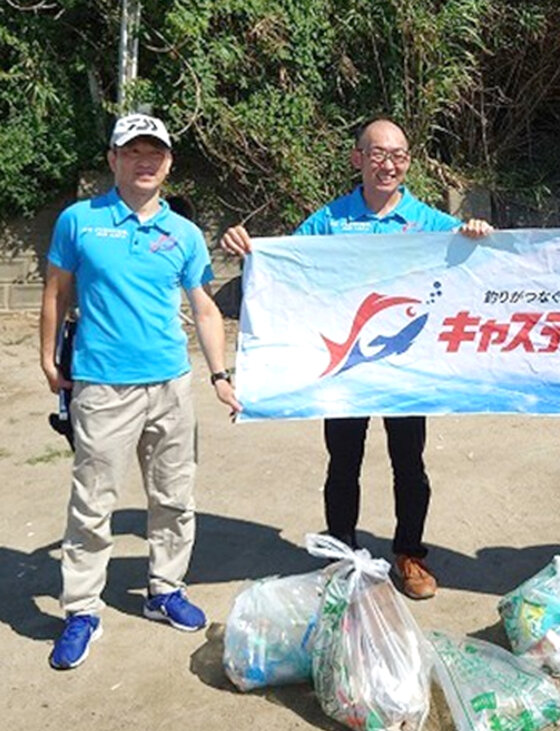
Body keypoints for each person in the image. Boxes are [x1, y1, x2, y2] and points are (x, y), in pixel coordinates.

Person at [220, 117, 491, 600]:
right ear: (357, 159)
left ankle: (410, 555)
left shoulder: (428, 221)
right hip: (344, 368)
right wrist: (248, 248)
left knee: (409, 462)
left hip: (407, 368)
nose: (389, 165)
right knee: (342, 460)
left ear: (408, 163)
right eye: (378, 154)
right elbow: (283, 263)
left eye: (399, 156)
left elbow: (476, 256)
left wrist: (475, 230)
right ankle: (342, 553)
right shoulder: (329, 220)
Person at [39, 113, 240, 670]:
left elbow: (203, 305)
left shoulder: (183, 233)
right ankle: (81, 609)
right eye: (133, 152)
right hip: (102, 385)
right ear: (113, 159)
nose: (145, 161)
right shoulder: (80, 221)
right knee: (93, 502)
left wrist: (220, 376)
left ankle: (164, 590)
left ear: (169, 164)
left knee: (174, 497)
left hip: (171, 384)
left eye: (155, 153)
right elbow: (56, 293)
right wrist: (47, 358)